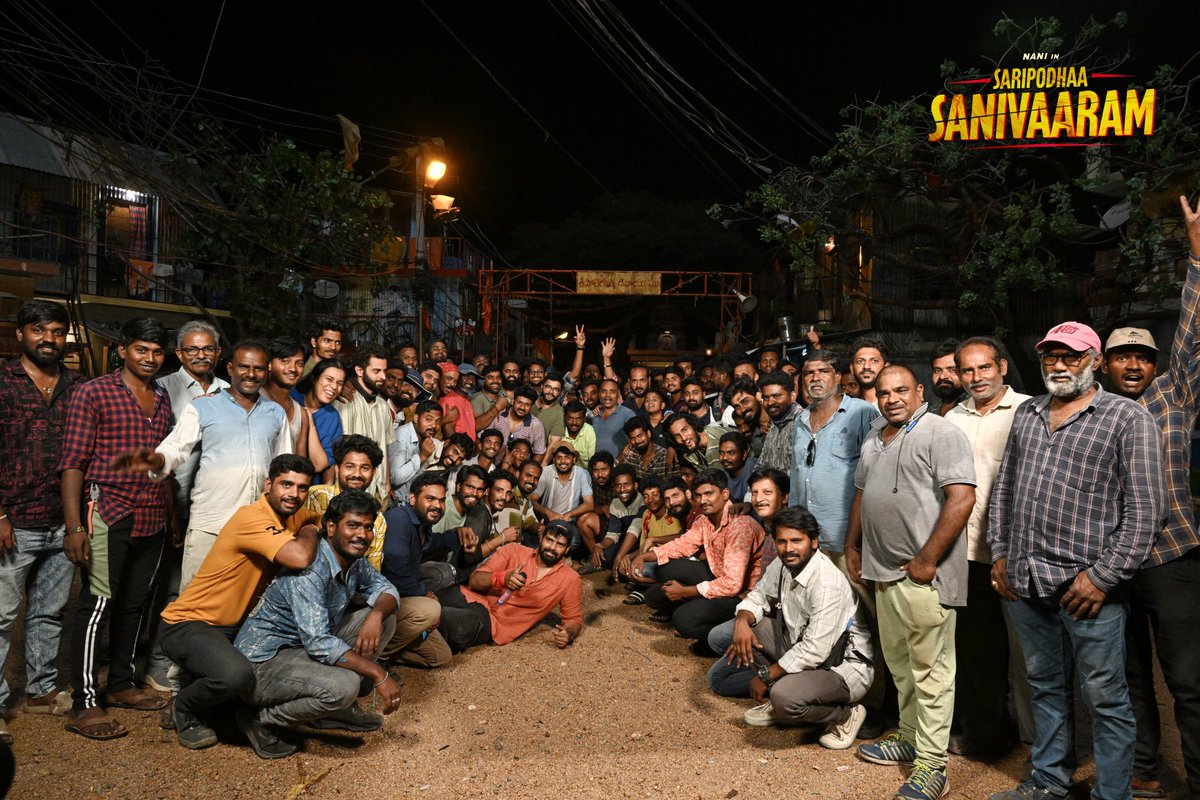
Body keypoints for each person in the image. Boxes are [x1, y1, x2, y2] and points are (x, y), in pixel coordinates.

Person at [988, 322, 1166, 800]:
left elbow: (1146, 512)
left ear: (1094, 361)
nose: (1060, 366)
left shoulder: (1127, 418)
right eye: (1051, 357)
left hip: (1087, 590)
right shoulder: (1028, 412)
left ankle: (1112, 794)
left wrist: (1103, 578)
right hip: (1026, 581)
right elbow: (1005, 488)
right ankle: (1049, 781)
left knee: (1106, 700)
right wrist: (1001, 552)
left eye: (1071, 356)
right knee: (1045, 687)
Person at [1100, 198, 1200, 800]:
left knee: (1188, 679)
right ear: (1105, 365)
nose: (1133, 364)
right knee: (1131, 675)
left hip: (1174, 556)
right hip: (1118, 563)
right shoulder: (1096, 416)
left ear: (1153, 365)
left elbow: (1191, 336)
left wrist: (1196, 257)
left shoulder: (1174, 397)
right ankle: (1144, 766)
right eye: (1122, 356)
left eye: (1142, 356)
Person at [845, 365, 976, 800]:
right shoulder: (876, 434)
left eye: (901, 390)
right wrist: (852, 546)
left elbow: (962, 498)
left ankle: (932, 767)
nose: (892, 398)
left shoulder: (941, 432)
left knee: (932, 672)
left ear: (919, 390)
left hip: (922, 575)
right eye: (883, 392)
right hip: (881, 572)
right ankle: (909, 735)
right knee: (901, 666)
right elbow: (862, 494)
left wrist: (927, 559)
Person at [59, 317, 174, 739]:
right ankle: (85, 703)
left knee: (134, 605)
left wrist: (172, 520)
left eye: (157, 351)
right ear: (124, 349)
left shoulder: (161, 397)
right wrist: (74, 526)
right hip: (108, 513)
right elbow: (73, 462)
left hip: (151, 516)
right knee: (96, 607)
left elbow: (162, 465)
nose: (149, 358)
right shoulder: (94, 392)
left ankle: (122, 684)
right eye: (141, 349)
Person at [157, 455, 319, 750]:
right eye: (286, 484)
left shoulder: (292, 512)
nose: (294, 494)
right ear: (268, 484)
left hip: (232, 628)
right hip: (189, 623)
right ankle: (184, 708)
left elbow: (312, 516)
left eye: (302, 488)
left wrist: (309, 521)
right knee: (235, 675)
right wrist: (310, 530)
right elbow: (300, 556)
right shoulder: (252, 517)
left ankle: (223, 709)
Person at [234, 490, 400, 758]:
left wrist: (376, 615)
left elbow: (389, 590)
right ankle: (261, 719)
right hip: (264, 663)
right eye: (353, 525)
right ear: (332, 527)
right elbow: (320, 644)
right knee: (345, 686)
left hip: (304, 649)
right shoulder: (310, 569)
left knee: (386, 617)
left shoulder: (353, 559)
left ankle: (330, 712)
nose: (362, 535)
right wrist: (378, 674)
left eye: (368, 527)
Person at [116, 341, 292, 589]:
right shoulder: (203, 405)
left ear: (267, 372)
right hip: (210, 521)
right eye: (244, 367)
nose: (251, 374)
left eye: (259, 369)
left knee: (246, 598)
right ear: (230, 368)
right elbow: (176, 447)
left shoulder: (275, 413)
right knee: (194, 595)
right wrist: (158, 459)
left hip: (258, 523)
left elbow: (284, 465)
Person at [707, 507, 874, 749]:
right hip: (799, 645)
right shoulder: (783, 564)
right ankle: (784, 690)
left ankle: (844, 715)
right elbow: (757, 597)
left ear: (814, 542)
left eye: (797, 540)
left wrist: (766, 675)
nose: (788, 548)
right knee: (721, 668)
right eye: (782, 541)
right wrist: (742, 621)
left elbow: (816, 649)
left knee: (784, 698)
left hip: (841, 667)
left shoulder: (826, 582)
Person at [0, 301, 84, 741]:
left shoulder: (79, 386)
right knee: (0, 616)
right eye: (38, 330)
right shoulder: (2, 382)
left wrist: (79, 523)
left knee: (50, 613)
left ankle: (39, 691)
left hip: (62, 520)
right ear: (20, 335)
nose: (48, 338)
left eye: (56, 331)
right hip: (13, 520)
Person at [944, 337, 1031, 756]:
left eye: (984, 368)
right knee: (977, 649)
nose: (976, 378)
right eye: (967, 370)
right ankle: (986, 736)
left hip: (1015, 553)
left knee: (1029, 654)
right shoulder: (952, 418)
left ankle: (1040, 745)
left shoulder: (1029, 411)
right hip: (965, 555)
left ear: (1002, 367)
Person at [630, 469, 765, 643]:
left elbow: (733, 584)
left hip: (742, 594)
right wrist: (644, 556)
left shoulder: (740, 526)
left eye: (709, 494)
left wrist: (686, 591)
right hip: (718, 577)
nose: (703, 500)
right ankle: (700, 606)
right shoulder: (704, 521)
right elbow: (683, 544)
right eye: (699, 496)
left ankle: (726, 636)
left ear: (725, 494)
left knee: (683, 620)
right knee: (656, 589)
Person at [435, 523, 583, 652]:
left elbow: (573, 619)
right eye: (549, 540)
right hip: (466, 595)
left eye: (560, 544)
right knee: (427, 603)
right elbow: (474, 581)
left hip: (491, 620)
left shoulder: (570, 579)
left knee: (451, 624)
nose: (552, 548)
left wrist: (568, 634)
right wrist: (502, 579)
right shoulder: (513, 550)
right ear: (541, 538)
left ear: (567, 549)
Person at [378, 473, 455, 669]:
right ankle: (377, 656)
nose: (437, 506)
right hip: (381, 602)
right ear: (413, 499)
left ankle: (390, 651)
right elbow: (395, 570)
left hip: (400, 600)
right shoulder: (399, 519)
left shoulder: (422, 525)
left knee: (440, 656)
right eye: (430, 499)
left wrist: (456, 536)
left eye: (441, 500)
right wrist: (425, 593)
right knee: (430, 609)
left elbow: (432, 543)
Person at [305, 435, 389, 570]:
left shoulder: (378, 520)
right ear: (337, 468)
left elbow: (373, 569)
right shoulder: (316, 496)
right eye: (350, 467)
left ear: (374, 472)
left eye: (365, 468)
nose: (357, 474)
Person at [337, 345, 394, 505]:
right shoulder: (344, 400)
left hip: (379, 491)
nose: (383, 376)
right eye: (376, 371)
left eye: (384, 371)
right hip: (352, 491)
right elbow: (340, 450)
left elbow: (385, 449)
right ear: (359, 371)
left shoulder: (384, 406)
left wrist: (387, 483)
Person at [530, 443, 594, 554]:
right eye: (559, 458)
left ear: (574, 459)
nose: (563, 461)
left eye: (567, 457)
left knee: (572, 540)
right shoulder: (545, 472)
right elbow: (532, 500)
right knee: (538, 542)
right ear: (554, 459)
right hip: (547, 520)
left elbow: (589, 504)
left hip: (569, 522)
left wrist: (569, 515)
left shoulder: (582, 474)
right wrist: (548, 512)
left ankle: (562, 559)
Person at [586, 464, 644, 574]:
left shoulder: (643, 500)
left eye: (626, 485)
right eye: (618, 485)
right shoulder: (615, 503)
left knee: (623, 562)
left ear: (635, 485)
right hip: (625, 541)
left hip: (641, 543)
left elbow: (634, 529)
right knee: (605, 557)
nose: (622, 490)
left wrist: (619, 556)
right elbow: (613, 534)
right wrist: (599, 545)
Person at [261, 336, 313, 457]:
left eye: (299, 364)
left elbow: (300, 461)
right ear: (269, 364)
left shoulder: (301, 413)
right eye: (285, 361)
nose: (293, 369)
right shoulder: (255, 399)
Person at [293, 358, 346, 474]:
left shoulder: (332, 417)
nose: (334, 387)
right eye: (329, 379)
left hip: (311, 488)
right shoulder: (292, 398)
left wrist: (310, 423)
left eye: (339, 383)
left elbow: (319, 465)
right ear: (314, 378)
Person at [389, 400, 444, 502]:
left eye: (438, 422)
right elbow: (395, 478)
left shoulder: (428, 441)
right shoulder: (401, 436)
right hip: (392, 501)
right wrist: (422, 457)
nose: (434, 425)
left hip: (407, 501)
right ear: (416, 418)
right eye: (428, 420)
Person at [756, 371, 800, 473]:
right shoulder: (773, 427)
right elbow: (761, 467)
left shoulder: (804, 423)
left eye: (776, 396)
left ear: (792, 396)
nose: (770, 403)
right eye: (766, 398)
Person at [616, 415, 672, 484]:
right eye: (633, 438)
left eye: (640, 436)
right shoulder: (630, 455)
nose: (637, 441)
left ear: (648, 433)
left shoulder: (665, 456)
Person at [495, 385, 547, 459]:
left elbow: (539, 453)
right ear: (513, 401)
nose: (522, 407)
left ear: (531, 406)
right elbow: (481, 437)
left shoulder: (536, 425)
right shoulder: (499, 415)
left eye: (527, 405)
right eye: (519, 402)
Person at [592, 378, 637, 458]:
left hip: (619, 467)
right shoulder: (594, 415)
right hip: (598, 468)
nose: (607, 395)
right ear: (599, 394)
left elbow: (635, 441)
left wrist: (617, 462)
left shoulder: (627, 414)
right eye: (604, 391)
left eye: (612, 391)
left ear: (618, 394)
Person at [436, 361, 476, 441]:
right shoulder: (449, 400)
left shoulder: (467, 401)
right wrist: (460, 448)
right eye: (466, 377)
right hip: (459, 450)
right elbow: (448, 430)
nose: (470, 381)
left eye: (473, 378)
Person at [546, 400, 595, 465]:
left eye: (578, 419)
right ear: (564, 418)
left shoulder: (589, 431)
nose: (574, 423)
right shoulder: (557, 430)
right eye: (570, 419)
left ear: (584, 419)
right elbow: (551, 458)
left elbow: (592, 461)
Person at [929, 339, 965, 416]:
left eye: (952, 370)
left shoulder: (976, 406)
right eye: (937, 370)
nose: (942, 376)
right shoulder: (931, 412)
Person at [849, 337, 889, 405]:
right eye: (860, 361)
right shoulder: (848, 409)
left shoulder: (895, 405)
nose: (866, 366)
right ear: (852, 369)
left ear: (887, 367)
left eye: (874, 361)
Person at [718, 432, 756, 502]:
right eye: (721, 453)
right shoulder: (722, 476)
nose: (725, 458)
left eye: (731, 453)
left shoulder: (755, 468)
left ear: (744, 454)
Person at [533, 372, 566, 440]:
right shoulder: (530, 400)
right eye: (548, 387)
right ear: (542, 386)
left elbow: (553, 444)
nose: (551, 392)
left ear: (560, 393)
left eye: (556, 389)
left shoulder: (559, 413)